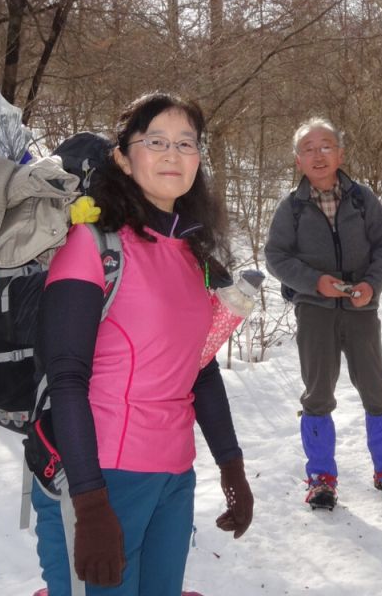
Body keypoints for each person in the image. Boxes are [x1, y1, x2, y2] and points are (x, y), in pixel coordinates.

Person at [31, 92, 253, 595]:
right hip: (101, 475)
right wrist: (89, 503)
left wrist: (231, 466)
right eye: (155, 141)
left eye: (186, 143)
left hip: (173, 476)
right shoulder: (90, 246)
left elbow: (199, 368)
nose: (173, 154)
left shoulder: (194, 255)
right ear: (123, 157)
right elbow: (66, 379)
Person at [264, 118, 382, 510]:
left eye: (326, 146)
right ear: (298, 160)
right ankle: (321, 478)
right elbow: (276, 257)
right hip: (314, 311)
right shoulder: (291, 208)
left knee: (376, 390)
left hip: (361, 309)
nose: (318, 154)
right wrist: (315, 282)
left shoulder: (362, 199)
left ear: (341, 154)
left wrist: (371, 284)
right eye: (309, 148)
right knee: (317, 393)